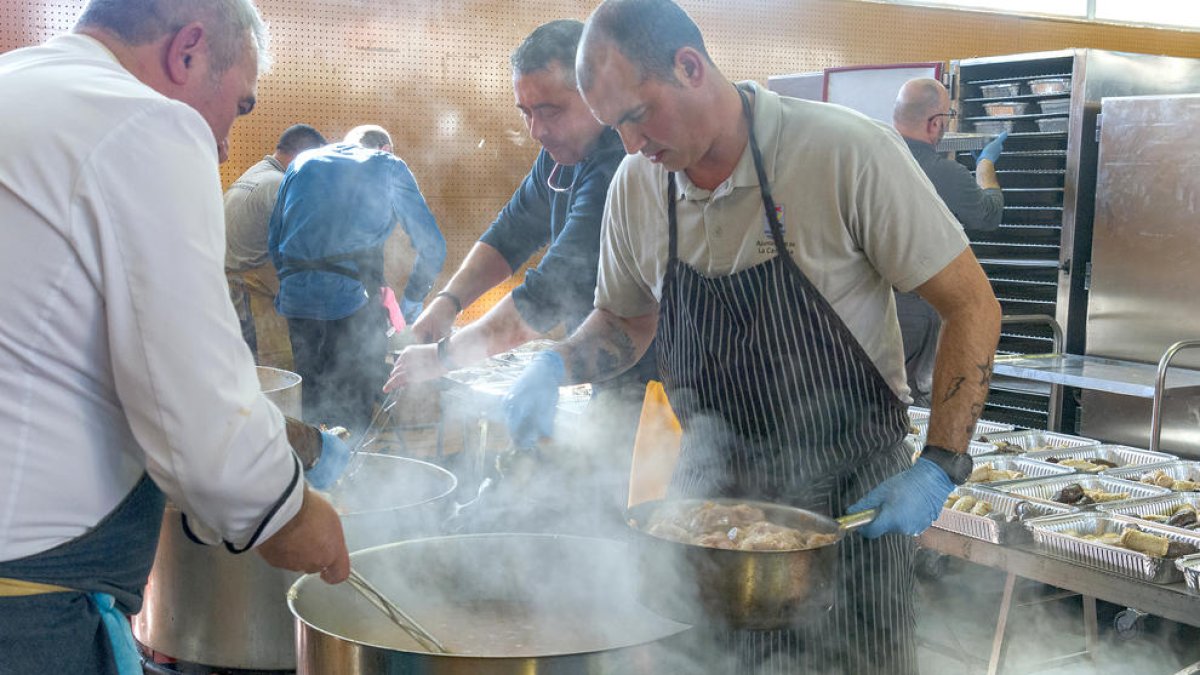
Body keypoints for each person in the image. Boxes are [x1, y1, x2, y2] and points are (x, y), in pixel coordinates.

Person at [503, 0, 1001, 672]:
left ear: (689, 67)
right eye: (614, 125)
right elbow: (624, 322)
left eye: (637, 115)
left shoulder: (842, 151)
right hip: (704, 516)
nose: (631, 145)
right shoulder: (636, 187)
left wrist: (941, 462)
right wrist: (553, 365)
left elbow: (971, 304)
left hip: (849, 507)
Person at [0, 2, 352, 673]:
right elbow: (196, 414)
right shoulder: (142, 123)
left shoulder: (18, 87)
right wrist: (293, 511)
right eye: (240, 107)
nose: (223, 145)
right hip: (23, 619)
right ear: (187, 51)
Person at [385, 19, 656, 532]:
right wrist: (446, 304)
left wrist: (442, 358)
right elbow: (510, 233)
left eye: (550, 110)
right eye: (526, 112)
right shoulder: (559, 157)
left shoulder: (619, 165)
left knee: (628, 526)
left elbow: (551, 291)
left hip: (661, 387)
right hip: (606, 375)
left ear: (599, 95)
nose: (536, 129)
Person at [269, 125, 446, 433]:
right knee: (353, 405)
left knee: (310, 403)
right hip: (349, 303)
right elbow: (433, 246)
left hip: (296, 301)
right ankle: (351, 470)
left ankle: (313, 471)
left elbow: (274, 239)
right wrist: (412, 305)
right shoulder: (388, 166)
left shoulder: (302, 162)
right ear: (385, 149)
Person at [892, 77, 1006, 406]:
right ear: (935, 123)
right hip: (917, 307)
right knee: (917, 397)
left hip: (872, 303)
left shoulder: (870, 162)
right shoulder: (944, 173)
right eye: (948, 118)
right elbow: (988, 215)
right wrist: (985, 166)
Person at [225, 123, 327, 367]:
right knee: (276, 380)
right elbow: (303, 251)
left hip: (233, 299)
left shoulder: (254, 174)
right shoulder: (280, 185)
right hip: (256, 303)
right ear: (304, 157)